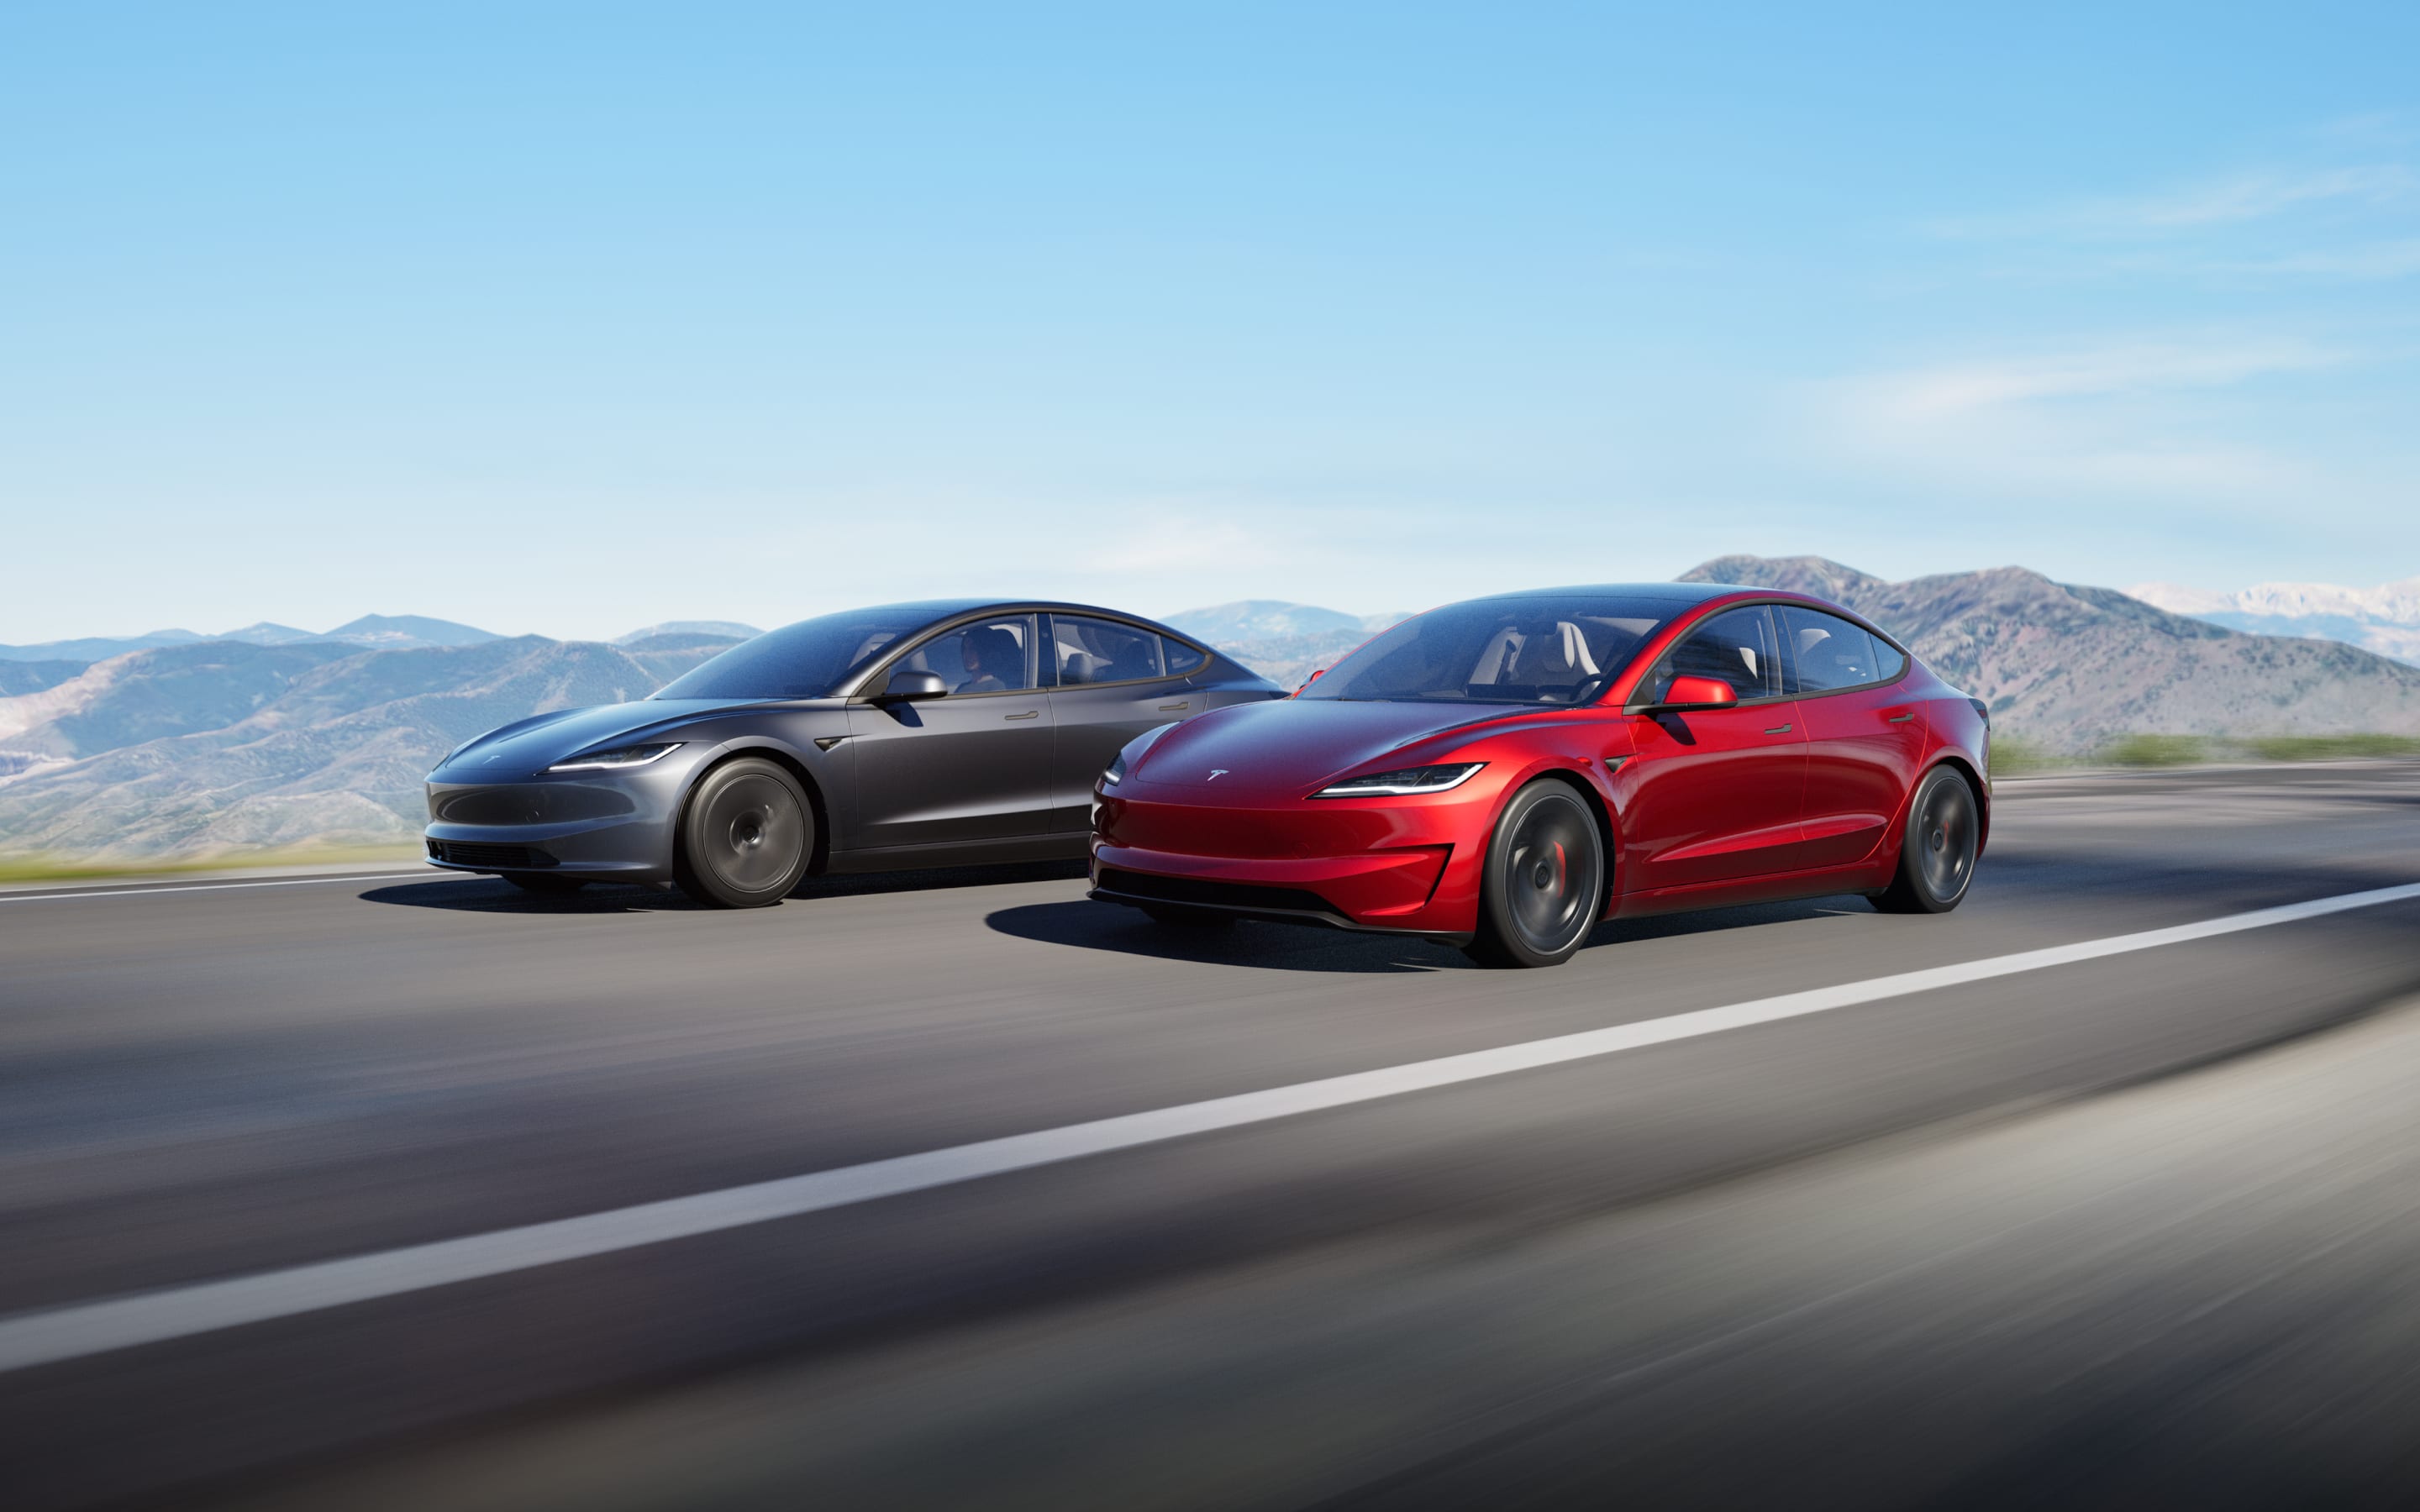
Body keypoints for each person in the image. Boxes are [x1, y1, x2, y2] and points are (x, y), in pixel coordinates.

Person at [955, 625, 1022, 694]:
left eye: (973, 649)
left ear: (985, 651)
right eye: (964, 649)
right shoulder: (962, 687)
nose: (966, 654)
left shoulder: (996, 687)